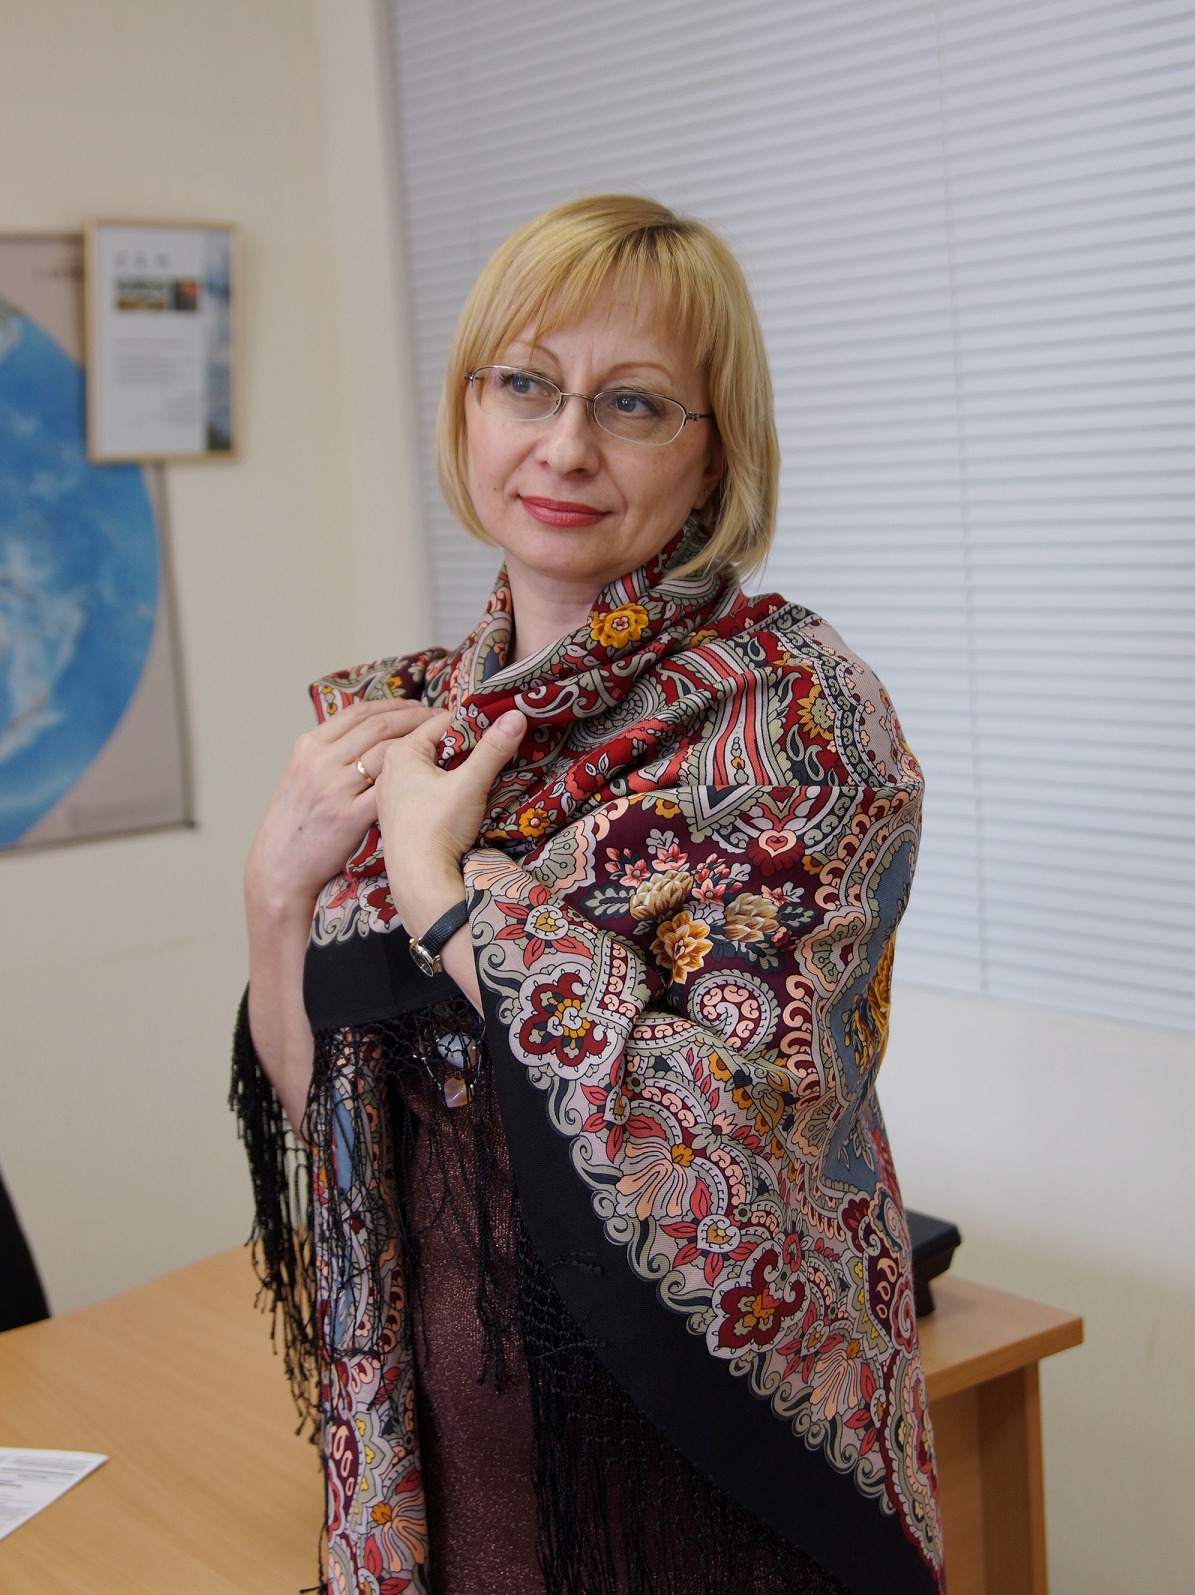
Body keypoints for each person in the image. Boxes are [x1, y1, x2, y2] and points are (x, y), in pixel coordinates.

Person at [233, 195, 944, 1595]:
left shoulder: (801, 722)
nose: (564, 447)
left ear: (714, 453)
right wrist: (275, 891)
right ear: (468, 408)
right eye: (525, 385)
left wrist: (448, 896)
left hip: (712, 1482)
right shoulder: (402, 727)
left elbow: (732, 1137)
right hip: (448, 1482)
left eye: (633, 403)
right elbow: (334, 1120)